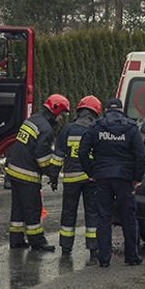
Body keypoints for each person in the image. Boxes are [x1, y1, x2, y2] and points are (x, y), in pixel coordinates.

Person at [79, 98, 145, 268]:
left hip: (102, 177)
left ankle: (104, 258)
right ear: (121, 110)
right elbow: (140, 155)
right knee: (128, 217)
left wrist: (92, 172)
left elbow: (83, 152)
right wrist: (137, 178)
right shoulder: (131, 128)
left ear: (106, 110)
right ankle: (132, 256)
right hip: (125, 178)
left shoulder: (96, 127)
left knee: (103, 217)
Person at [6, 93, 70, 251]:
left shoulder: (33, 119)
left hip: (14, 170)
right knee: (33, 208)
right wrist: (52, 172)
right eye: (62, 114)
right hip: (27, 174)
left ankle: (16, 239)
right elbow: (42, 157)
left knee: (18, 208)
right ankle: (37, 241)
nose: (61, 118)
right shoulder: (46, 129)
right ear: (56, 111)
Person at [54, 96, 102, 262]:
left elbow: (58, 154)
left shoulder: (68, 129)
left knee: (68, 213)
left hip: (71, 178)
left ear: (80, 110)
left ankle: (66, 248)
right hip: (91, 178)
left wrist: (53, 176)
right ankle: (93, 250)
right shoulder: (97, 129)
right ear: (96, 112)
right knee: (92, 213)